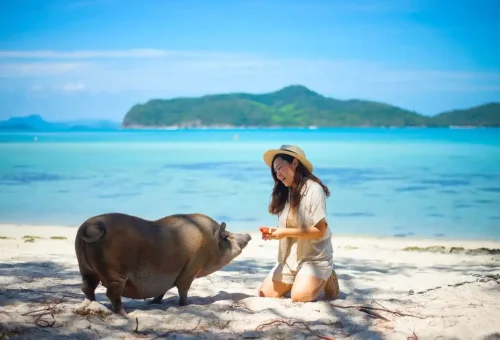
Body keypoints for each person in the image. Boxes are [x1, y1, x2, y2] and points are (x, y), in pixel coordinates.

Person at [257, 144, 339, 302]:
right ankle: (302, 280)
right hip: (290, 259)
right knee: (264, 295)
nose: (278, 174)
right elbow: (288, 229)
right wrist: (275, 233)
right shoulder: (285, 192)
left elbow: (320, 230)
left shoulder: (314, 189)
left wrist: (284, 232)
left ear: (295, 163)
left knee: (299, 297)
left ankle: (328, 276)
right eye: (275, 171)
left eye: (280, 168)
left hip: (314, 258)